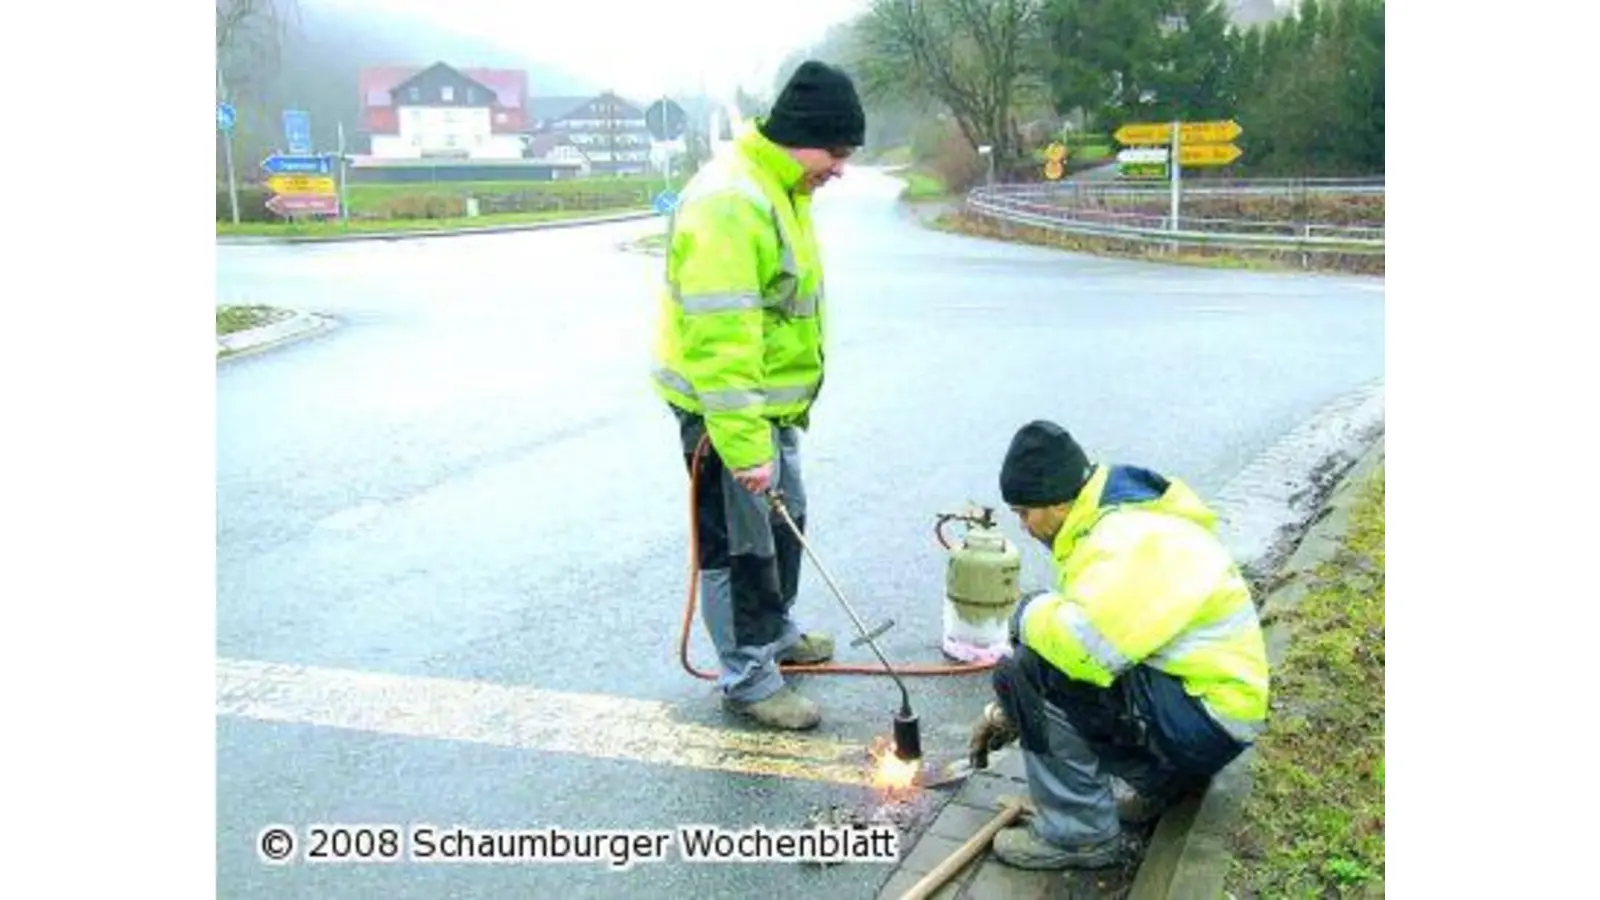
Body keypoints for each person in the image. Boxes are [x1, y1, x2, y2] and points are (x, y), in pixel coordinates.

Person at [652, 61, 866, 731]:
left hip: (769, 410)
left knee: (784, 522)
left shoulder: (781, 188)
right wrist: (745, 448)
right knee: (741, 549)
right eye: (836, 153)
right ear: (802, 137)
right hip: (726, 415)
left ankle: (774, 634)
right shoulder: (731, 201)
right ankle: (748, 678)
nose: (840, 169)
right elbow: (724, 338)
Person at [967, 420, 1271, 869]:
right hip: (1210, 710)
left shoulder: (1123, 540)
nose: (1024, 527)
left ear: (1056, 500)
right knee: (1048, 664)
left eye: (1025, 512)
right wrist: (1009, 715)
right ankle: (1164, 786)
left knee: (1024, 670)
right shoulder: (1121, 515)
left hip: (1205, 724)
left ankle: (1079, 835)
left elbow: (1089, 653)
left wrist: (1026, 613)